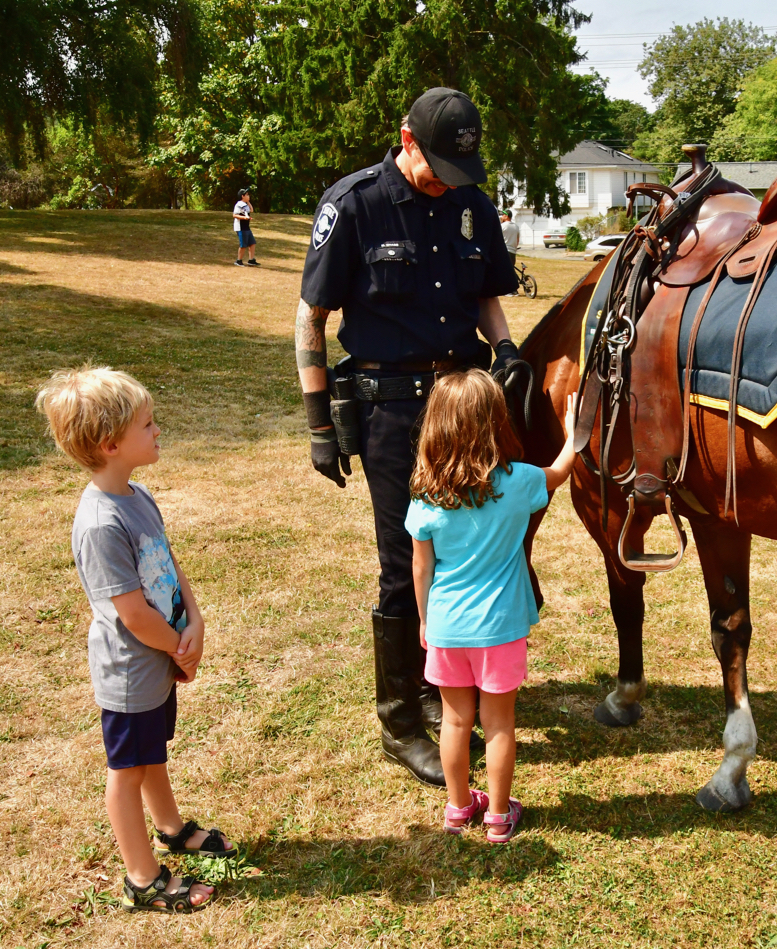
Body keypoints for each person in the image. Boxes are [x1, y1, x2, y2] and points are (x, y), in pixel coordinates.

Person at [295, 87, 522, 787]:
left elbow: (485, 290)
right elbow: (310, 319)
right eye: (436, 170)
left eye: (460, 174)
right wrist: (318, 424)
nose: (446, 185)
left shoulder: (469, 200)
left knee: (467, 550)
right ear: (407, 139)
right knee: (408, 559)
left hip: (463, 405)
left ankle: (438, 684)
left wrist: (506, 346)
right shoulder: (355, 203)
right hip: (391, 412)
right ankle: (400, 717)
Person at [34, 367, 237, 914]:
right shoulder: (99, 523)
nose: (157, 430)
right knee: (127, 774)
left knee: (153, 755)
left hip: (160, 657)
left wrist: (194, 619)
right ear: (112, 443)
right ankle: (143, 878)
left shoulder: (137, 494)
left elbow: (169, 563)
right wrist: (178, 645)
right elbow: (130, 613)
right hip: (131, 669)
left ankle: (170, 827)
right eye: (148, 425)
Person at [405, 370, 577, 841]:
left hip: (445, 625)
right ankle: (499, 816)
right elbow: (560, 472)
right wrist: (574, 429)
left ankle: (459, 807)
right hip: (500, 626)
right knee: (499, 723)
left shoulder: (426, 497)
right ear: (497, 423)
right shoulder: (519, 482)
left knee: (456, 720)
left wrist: (424, 619)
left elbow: (421, 569)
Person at [233, 189, 258, 267]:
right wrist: (244, 218)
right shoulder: (239, 204)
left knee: (252, 243)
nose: (248, 196)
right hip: (241, 227)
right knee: (243, 245)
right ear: (242, 196)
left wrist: (248, 201)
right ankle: (238, 261)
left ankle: (251, 260)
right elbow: (234, 215)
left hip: (246, 227)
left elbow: (251, 210)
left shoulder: (245, 204)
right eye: (246, 195)